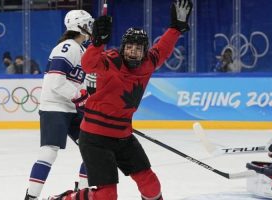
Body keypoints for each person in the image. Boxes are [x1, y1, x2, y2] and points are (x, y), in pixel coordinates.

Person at [46, 0, 192, 199]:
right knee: (107, 196)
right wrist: (97, 44)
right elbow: (88, 64)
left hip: (123, 137)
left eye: (138, 48)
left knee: (151, 185)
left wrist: (175, 28)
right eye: (130, 47)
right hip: (95, 138)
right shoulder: (111, 60)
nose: (133, 51)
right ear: (123, 48)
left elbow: (163, 49)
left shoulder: (147, 64)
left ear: (144, 52)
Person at [24, 10, 94, 200]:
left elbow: (80, 84)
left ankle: (82, 194)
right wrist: (79, 96)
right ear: (79, 26)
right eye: (88, 23)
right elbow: (56, 82)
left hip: (72, 107)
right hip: (54, 107)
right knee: (49, 152)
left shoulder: (83, 50)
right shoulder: (67, 47)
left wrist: (88, 97)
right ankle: (31, 197)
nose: (91, 27)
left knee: (95, 147)